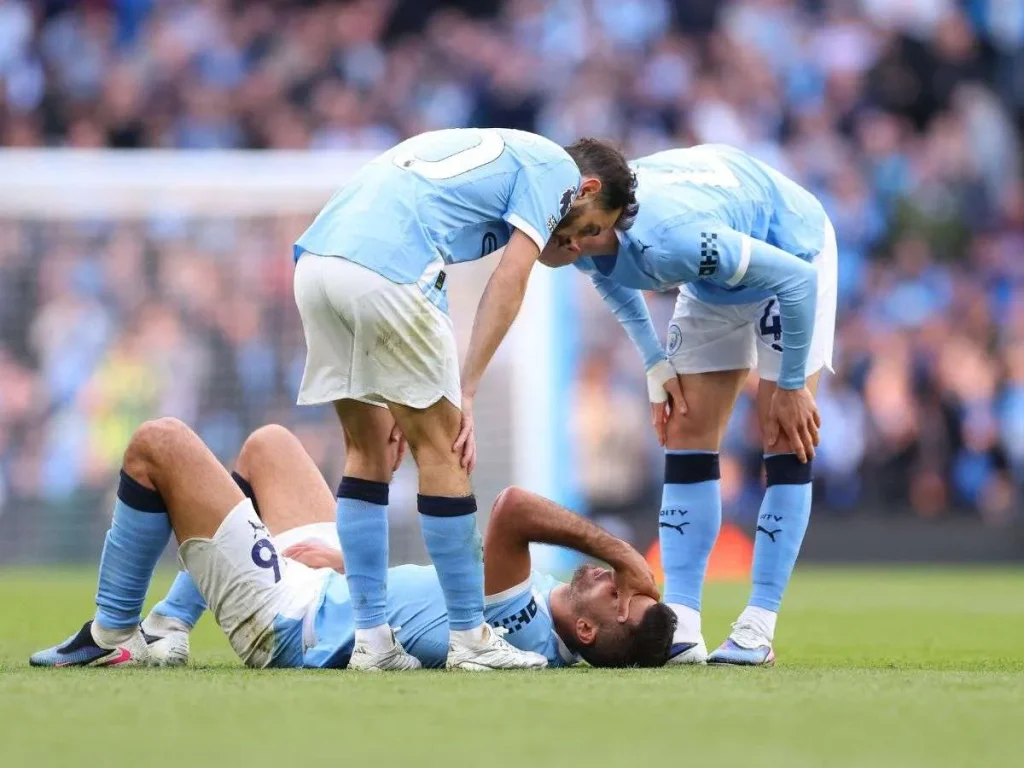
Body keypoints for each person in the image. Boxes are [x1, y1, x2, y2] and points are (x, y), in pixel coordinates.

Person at [292, 128, 638, 671]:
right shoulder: (556, 173)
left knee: (368, 451)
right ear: (587, 186)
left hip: (317, 263)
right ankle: (470, 639)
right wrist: (465, 391)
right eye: (588, 229)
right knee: (447, 450)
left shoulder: (504, 158)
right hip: (389, 266)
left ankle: (372, 641)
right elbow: (511, 279)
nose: (575, 247)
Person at [30, 419, 674, 670]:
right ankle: (169, 627)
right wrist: (361, 569)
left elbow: (513, 509)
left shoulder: (524, 620)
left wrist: (622, 550)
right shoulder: (542, 615)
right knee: (270, 447)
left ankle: (111, 639)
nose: (608, 577)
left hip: (290, 618)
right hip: (339, 587)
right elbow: (425, 602)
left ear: (588, 632)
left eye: (617, 594)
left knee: (158, 444)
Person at [539, 144, 838, 666]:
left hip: (788, 254)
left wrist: (792, 386)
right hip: (713, 275)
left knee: (782, 431)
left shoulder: (668, 239)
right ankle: (682, 620)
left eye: (574, 236)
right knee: (686, 427)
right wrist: (656, 366)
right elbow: (612, 283)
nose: (567, 246)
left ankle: (757, 625)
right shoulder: (582, 224)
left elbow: (796, 279)